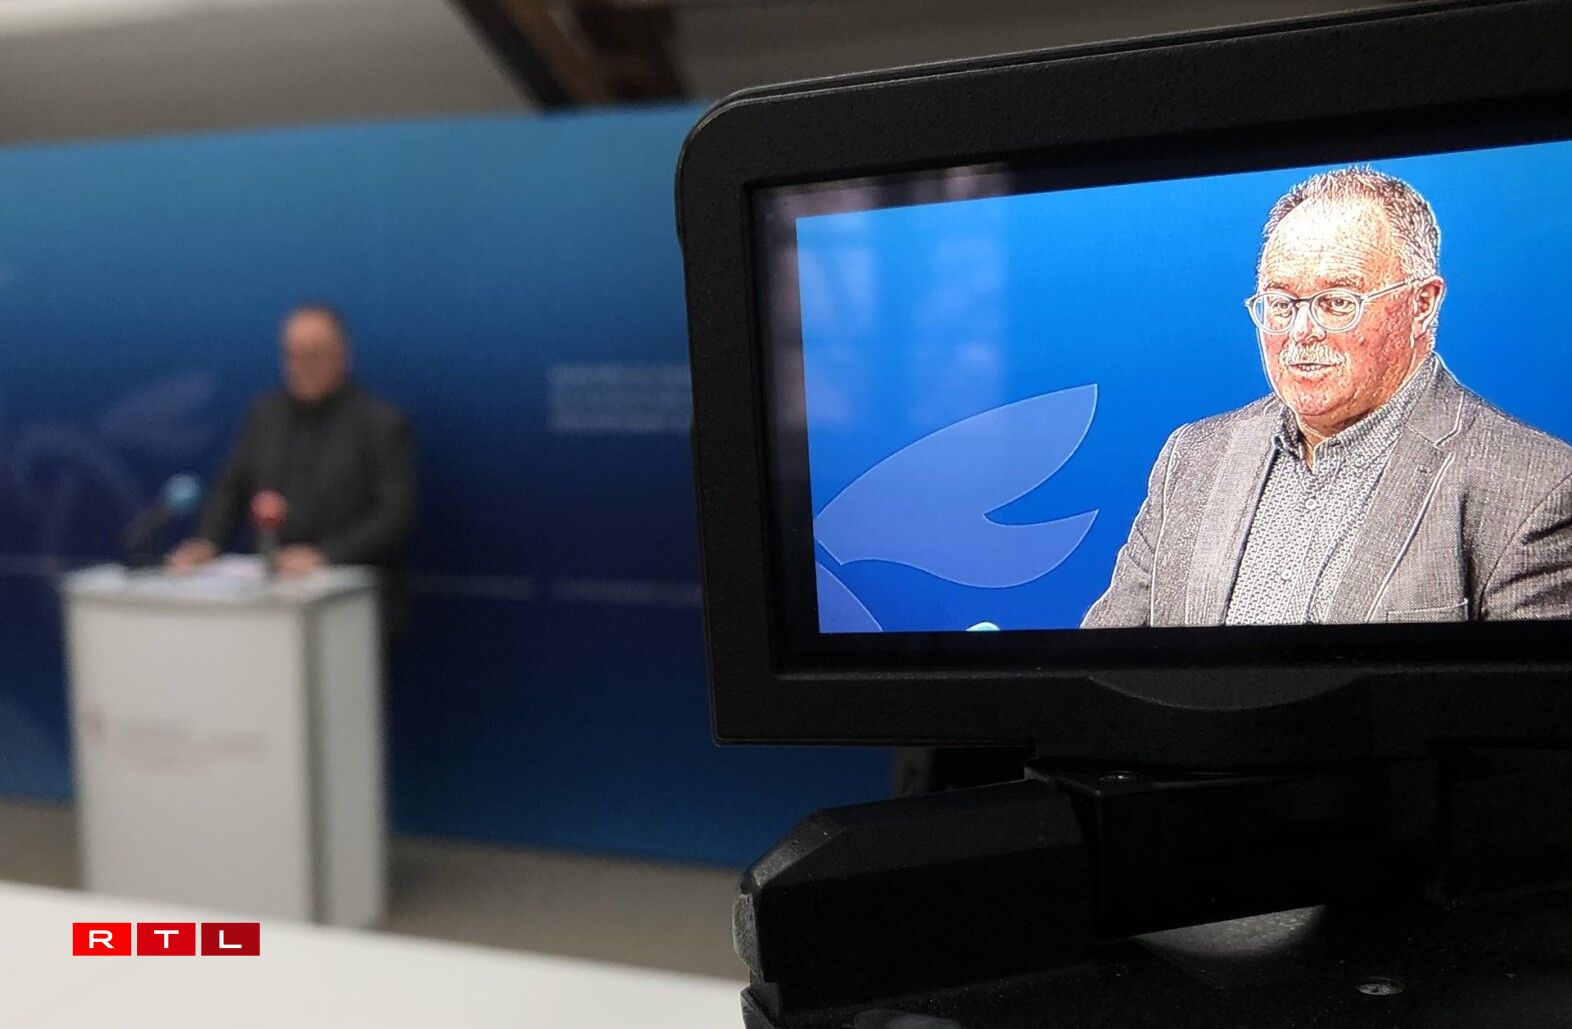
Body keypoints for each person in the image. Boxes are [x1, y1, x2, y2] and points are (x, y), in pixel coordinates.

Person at [1083, 167, 1572, 627]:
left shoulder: (1535, 487)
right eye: (1281, 303)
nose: (1301, 331)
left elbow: (1524, 690)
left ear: (1422, 304)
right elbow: (1107, 667)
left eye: (1337, 302)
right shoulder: (1192, 459)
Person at [168, 303, 416, 620]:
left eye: (313, 355)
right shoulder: (265, 415)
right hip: (270, 600)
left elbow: (395, 515)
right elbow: (232, 490)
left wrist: (325, 555)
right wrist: (207, 542)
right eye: (292, 355)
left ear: (342, 356)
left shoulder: (380, 423)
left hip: (353, 606)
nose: (301, 367)